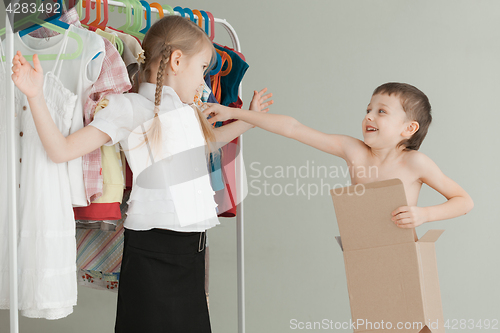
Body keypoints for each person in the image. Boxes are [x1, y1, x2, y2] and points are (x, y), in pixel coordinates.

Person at [11, 15, 273, 333]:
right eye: (202, 69)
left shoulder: (188, 113)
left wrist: (253, 118)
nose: (204, 82)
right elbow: (62, 151)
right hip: (153, 252)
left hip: (192, 251)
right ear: (177, 60)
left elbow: (211, 143)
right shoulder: (129, 108)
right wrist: (35, 97)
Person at [203, 82, 474, 227]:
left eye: (381, 111)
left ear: (408, 128)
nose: (369, 115)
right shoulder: (354, 150)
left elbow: (464, 201)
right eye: (368, 109)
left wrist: (424, 215)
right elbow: (293, 128)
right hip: (363, 251)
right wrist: (235, 113)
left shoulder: (415, 163)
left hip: (402, 252)